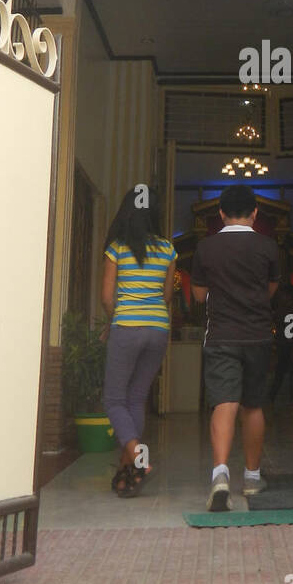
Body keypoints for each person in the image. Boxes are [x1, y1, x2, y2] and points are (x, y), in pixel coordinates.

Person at [190, 185, 280, 511]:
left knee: (224, 403)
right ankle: (252, 479)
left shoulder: (206, 248)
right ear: (255, 213)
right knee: (253, 406)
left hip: (221, 336)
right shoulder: (268, 247)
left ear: (221, 213)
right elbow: (270, 288)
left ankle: (220, 474)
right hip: (257, 335)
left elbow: (199, 296)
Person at [101, 188, 176, 497]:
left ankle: (139, 457)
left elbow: (107, 298)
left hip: (127, 326)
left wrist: (115, 321)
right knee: (135, 399)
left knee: (113, 400)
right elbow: (168, 296)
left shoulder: (116, 249)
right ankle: (127, 468)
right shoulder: (168, 250)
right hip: (158, 328)